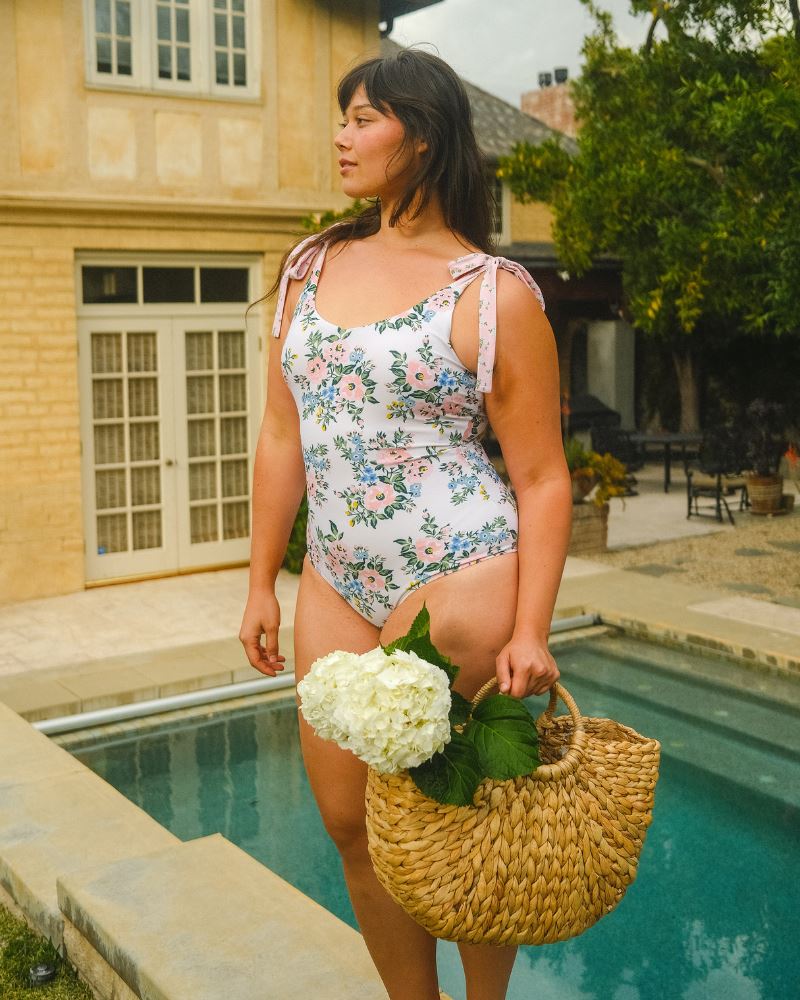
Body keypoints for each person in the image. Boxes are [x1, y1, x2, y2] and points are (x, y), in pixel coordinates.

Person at [240, 46, 572, 1000]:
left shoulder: (492, 292)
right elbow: (281, 434)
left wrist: (531, 628)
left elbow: (544, 478)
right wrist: (263, 577)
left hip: (460, 572)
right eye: (341, 117)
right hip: (337, 579)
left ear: (421, 138)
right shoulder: (309, 266)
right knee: (352, 825)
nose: (341, 136)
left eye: (363, 119)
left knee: (453, 825)